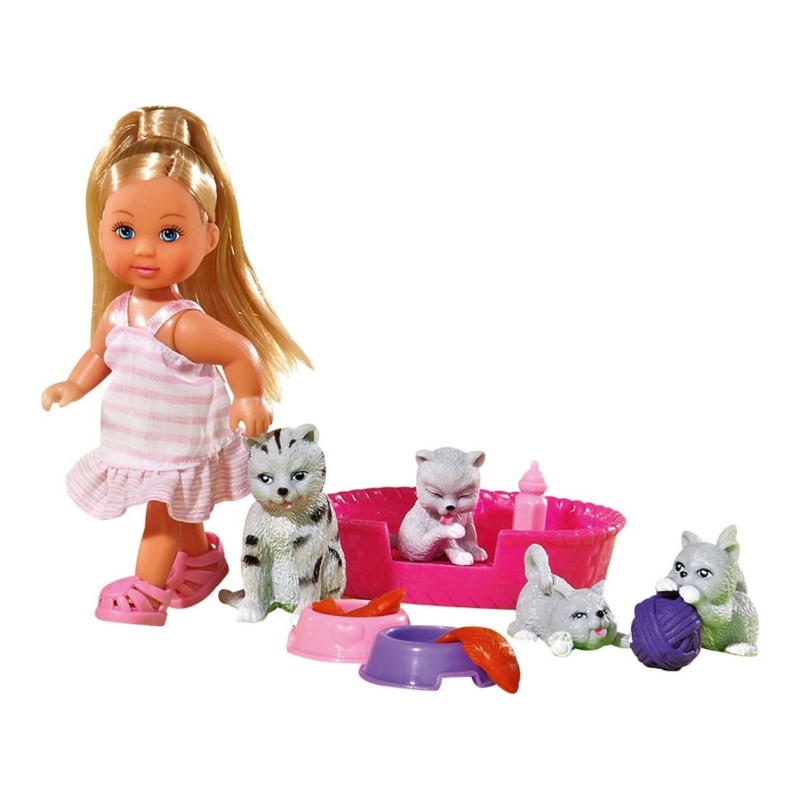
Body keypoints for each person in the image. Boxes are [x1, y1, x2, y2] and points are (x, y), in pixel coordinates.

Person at [42, 106, 310, 625]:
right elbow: (99, 354)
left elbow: (238, 352)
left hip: (174, 444)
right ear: (100, 231)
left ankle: (146, 590)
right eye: (125, 231)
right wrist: (73, 384)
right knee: (178, 507)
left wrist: (249, 397)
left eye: (169, 234)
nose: (144, 250)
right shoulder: (119, 311)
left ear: (207, 238)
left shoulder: (180, 323)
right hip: (137, 439)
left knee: (160, 515)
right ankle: (202, 559)